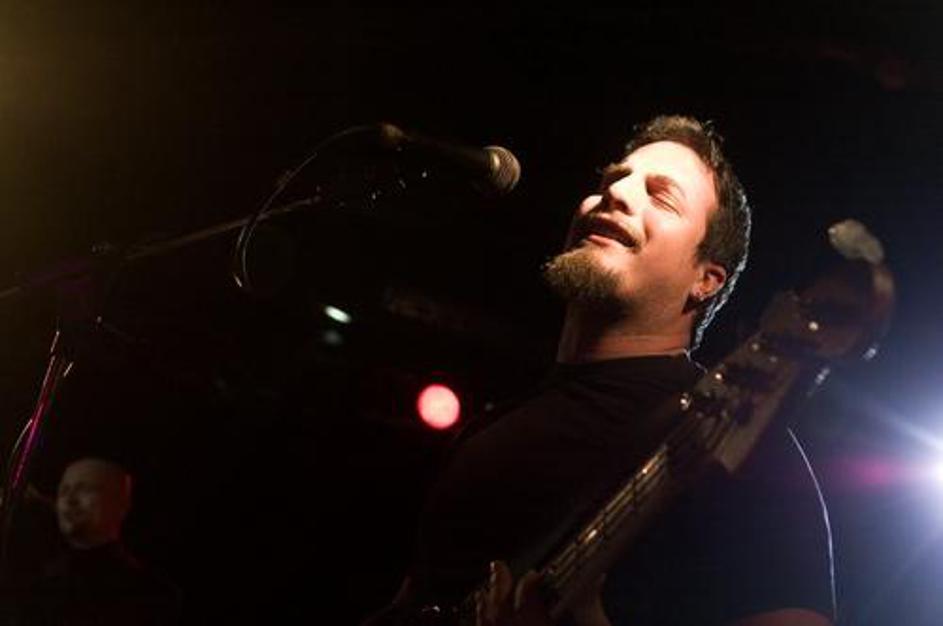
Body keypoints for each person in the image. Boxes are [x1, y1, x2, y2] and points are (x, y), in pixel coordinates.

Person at [363, 114, 837, 626]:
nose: (615, 193)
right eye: (612, 179)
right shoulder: (487, 429)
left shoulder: (728, 422)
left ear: (706, 279)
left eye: (661, 197)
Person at [14, 457, 180, 625]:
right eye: (64, 491)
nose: (69, 501)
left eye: (84, 489)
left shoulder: (151, 597)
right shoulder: (40, 590)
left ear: (120, 502)